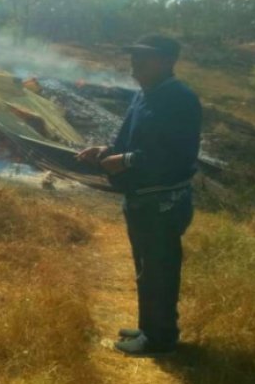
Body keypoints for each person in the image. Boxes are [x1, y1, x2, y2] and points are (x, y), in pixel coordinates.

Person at [77, 33, 202, 357]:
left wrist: (127, 161)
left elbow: (178, 155)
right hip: (141, 198)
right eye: (134, 56)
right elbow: (130, 141)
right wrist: (105, 151)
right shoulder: (145, 95)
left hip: (163, 203)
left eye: (144, 57)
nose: (135, 63)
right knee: (147, 269)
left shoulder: (180, 99)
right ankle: (150, 327)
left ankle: (160, 339)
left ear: (167, 61)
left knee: (159, 270)